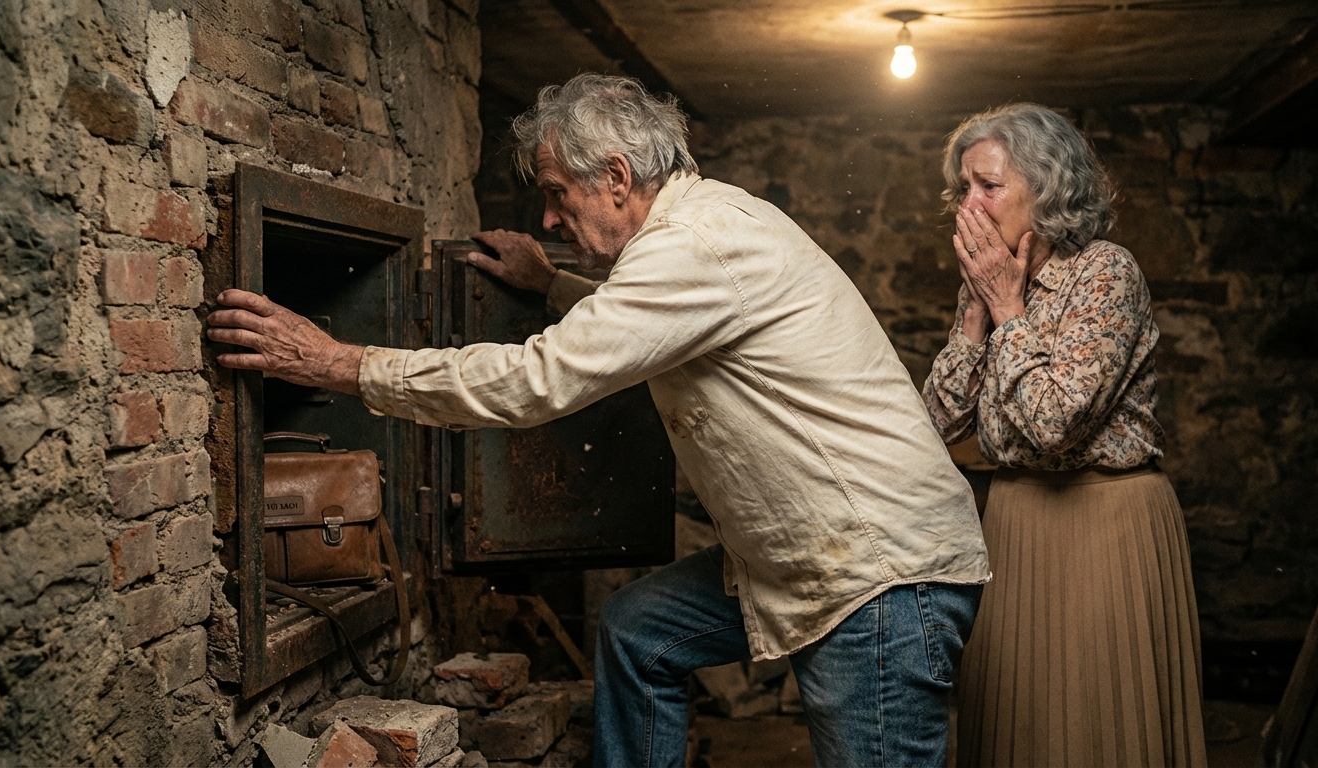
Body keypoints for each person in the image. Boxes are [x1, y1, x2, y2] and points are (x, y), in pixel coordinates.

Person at [208, 73, 990, 767]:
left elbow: (542, 378)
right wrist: (550, 286)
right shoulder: (701, 230)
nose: (550, 217)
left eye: (556, 193)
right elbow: (640, 325)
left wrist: (340, 364)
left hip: (880, 576)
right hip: (823, 554)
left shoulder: (692, 244)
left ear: (616, 177)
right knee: (641, 631)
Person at [922, 102, 1207, 767]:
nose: (969, 204)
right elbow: (935, 425)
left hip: (1104, 526)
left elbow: (1050, 422)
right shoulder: (987, 284)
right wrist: (971, 319)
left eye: (987, 185)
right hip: (1016, 524)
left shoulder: (1107, 274)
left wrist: (1006, 309)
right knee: (1017, 724)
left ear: (1046, 188)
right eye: (963, 187)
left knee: (1096, 727)